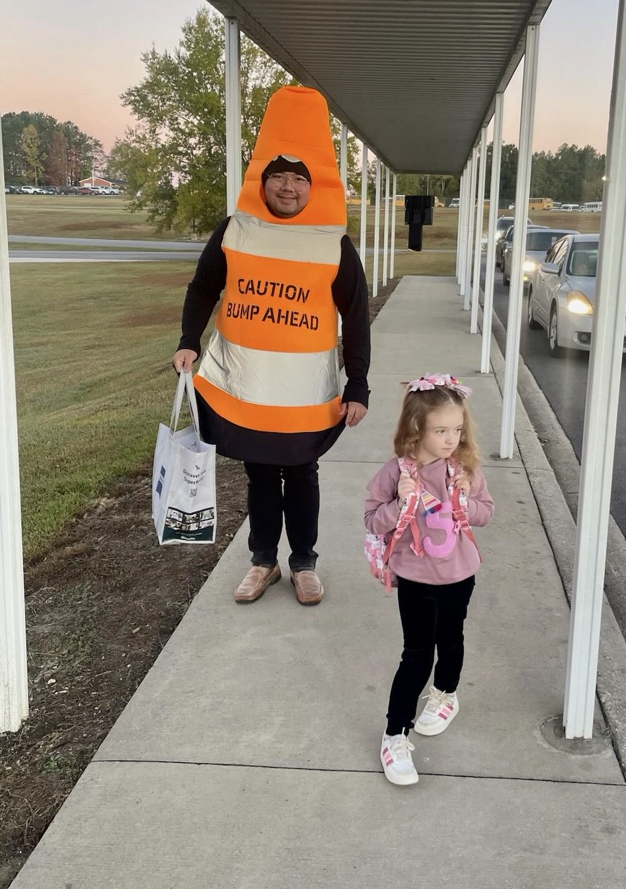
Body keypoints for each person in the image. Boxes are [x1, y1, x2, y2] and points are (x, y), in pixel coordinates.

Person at [173, 86, 370, 607]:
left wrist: (358, 384)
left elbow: (355, 314)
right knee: (259, 472)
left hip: (306, 391)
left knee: (302, 472)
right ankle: (263, 561)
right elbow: (203, 287)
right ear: (261, 180)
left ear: (314, 185)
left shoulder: (333, 243)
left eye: (299, 177)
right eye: (278, 175)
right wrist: (189, 341)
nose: (288, 186)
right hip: (249, 384)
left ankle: (303, 563)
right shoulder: (236, 230)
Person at [364, 374, 494, 785]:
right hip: (415, 579)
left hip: (459, 575)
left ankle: (445, 694)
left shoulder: (464, 469)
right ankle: (394, 734)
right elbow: (372, 520)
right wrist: (400, 502)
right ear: (416, 428)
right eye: (441, 431)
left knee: (451, 639)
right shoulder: (396, 473)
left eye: (457, 429)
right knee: (417, 652)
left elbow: (486, 512)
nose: (451, 438)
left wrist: (466, 499)